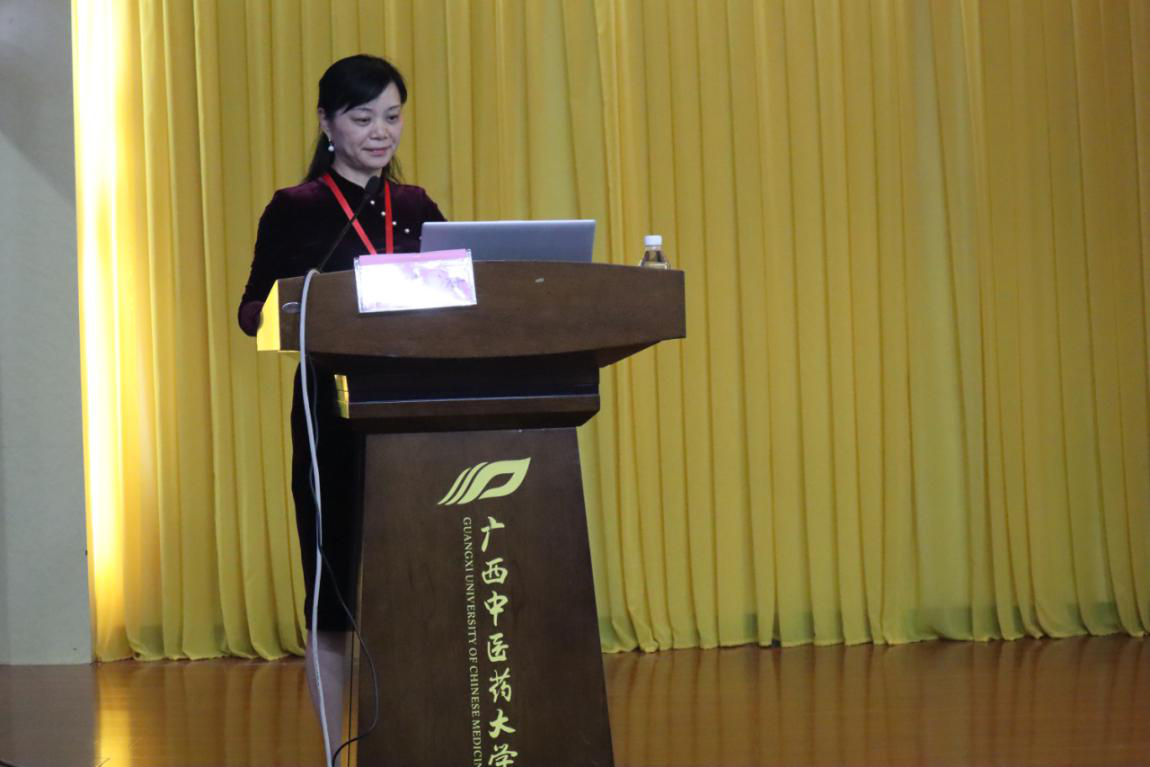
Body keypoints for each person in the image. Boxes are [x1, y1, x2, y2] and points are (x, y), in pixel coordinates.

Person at [236, 54, 445, 751]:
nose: (381, 132)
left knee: (411, 584)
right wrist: (306, 301)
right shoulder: (296, 208)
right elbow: (250, 311)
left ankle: (413, 743)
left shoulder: (415, 206)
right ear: (327, 124)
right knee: (334, 596)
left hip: (416, 409)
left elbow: (462, 291)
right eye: (363, 118)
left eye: (392, 116)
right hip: (332, 409)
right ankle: (333, 749)